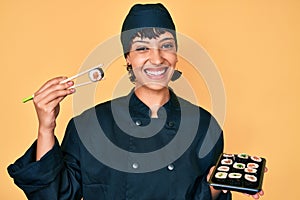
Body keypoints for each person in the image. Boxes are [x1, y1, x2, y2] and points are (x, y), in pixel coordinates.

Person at [8, 3, 264, 200]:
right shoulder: (89, 125)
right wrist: (46, 128)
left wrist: (214, 187)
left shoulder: (204, 125)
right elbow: (55, 196)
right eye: (142, 48)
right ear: (128, 57)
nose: (156, 58)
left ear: (175, 55)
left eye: (166, 45)